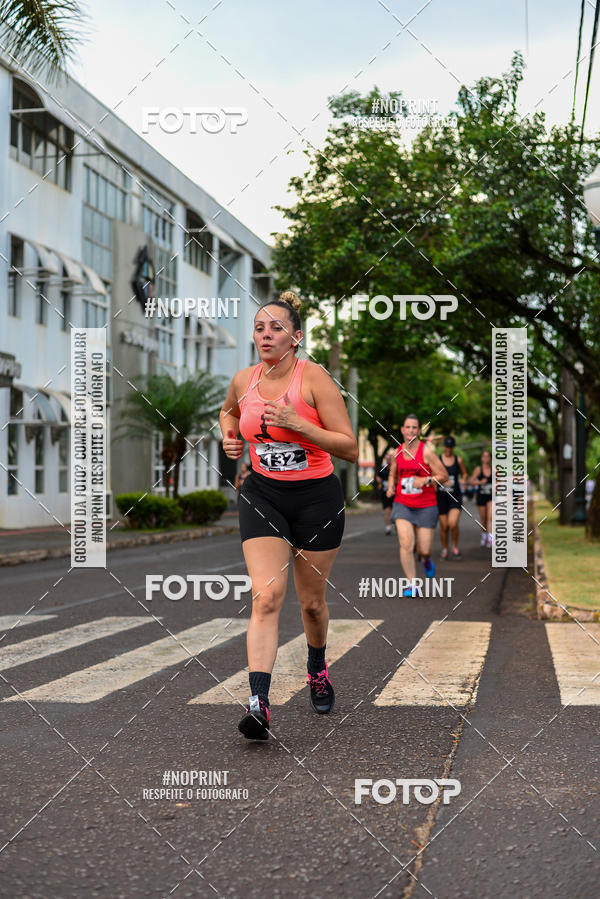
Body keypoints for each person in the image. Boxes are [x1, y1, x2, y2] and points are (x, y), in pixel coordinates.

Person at [220, 290, 358, 740]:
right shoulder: (244, 380)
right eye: (259, 328)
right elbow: (227, 412)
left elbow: (350, 448)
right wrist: (229, 437)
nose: (266, 334)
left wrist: (300, 426)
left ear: (295, 338)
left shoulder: (314, 378)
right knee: (266, 597)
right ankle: (258, 702)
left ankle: (316, 667)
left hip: (316, 500)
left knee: (312, 603)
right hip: (262, 495)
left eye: (276, 328)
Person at [386, 415, 449, 597]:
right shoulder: (397, 452)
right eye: (408, 427)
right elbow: (393, 474)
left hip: (426, 505)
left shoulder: (427, 452)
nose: (411, 431)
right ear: (403, 430)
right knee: (406, 543)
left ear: (419, 431)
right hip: (402, 503)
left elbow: (444, 475)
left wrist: (426, 479)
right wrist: (391, 486)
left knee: (424, 550)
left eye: (415, 427)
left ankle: (427, 560)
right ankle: (412, 584)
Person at [436, 436, 468, 559]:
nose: (448, 449)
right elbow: (433, 475)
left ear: (453, 448)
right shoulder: (438, 461)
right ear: (444, 447)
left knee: (452, 523)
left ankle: (454, 546)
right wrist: (441, 481)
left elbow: (464, 473)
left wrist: (463, 480)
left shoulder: (458, 460)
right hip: (441, 497)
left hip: (455, 496)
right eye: (446, 446)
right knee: (444, 526)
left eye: (450, 447)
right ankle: (444, 549)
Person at [471, 449, 493, 546]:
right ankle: (484, 535)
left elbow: (500, 481)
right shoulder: (478, 469)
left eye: (487, 456)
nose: (486, 458)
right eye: (484, 456)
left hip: (491, 496)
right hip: (481, 496)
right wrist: (480, 482)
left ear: (490, 458)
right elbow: (471, 482)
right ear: (481, 458)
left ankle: (491, 538)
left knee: (491, 517)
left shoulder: (494, 469)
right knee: (483, 518)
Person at [375, 451, 394, 534]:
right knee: (387, 510)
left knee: (396, 511)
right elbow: (378, 477)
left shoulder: (395, 467)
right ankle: (388, 528)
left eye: (389, 459)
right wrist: (379, 482)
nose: (388, 460)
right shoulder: (383, 468)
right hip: (385, 492)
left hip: (395, 493)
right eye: (387, 459)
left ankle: (398, 525)